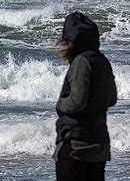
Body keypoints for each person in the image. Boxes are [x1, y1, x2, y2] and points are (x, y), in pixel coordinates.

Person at [53, 12, 117, 180]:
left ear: (71, 42)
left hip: (77, 146)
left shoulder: (81, 62)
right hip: (99, 144)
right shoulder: (102, 60)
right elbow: (112, 98)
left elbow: (77, 102)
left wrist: (60, 104)